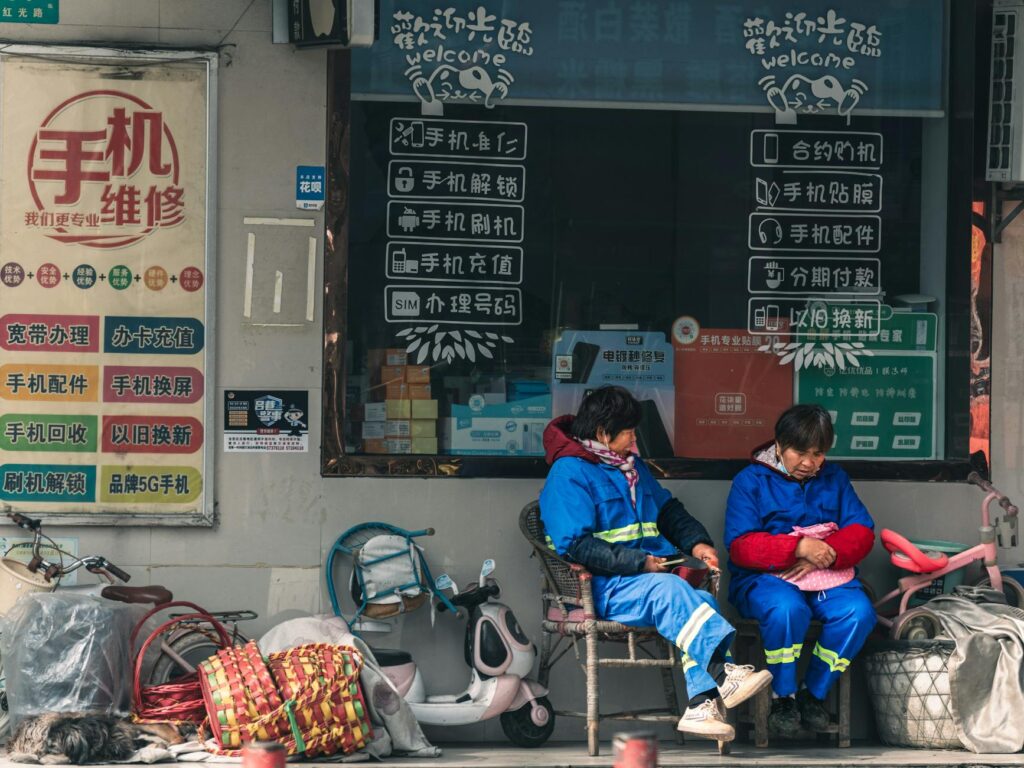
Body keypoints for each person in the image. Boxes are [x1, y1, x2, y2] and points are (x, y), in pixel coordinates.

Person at [540, 386, 772, 741]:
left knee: (701, 600)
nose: (635, 439)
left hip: (647, 582)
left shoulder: (632, 469)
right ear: (603, 433)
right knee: (669, 590)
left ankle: (699, 707)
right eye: (628, 432)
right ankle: (723, 675)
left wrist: (698, 543)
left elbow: (667, 511)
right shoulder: (568, 474)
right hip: (602, 587)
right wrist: (640, 563)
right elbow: (577, 546)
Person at [724, 404, 876, 738]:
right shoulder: (750, 481)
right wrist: (797, 548)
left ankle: (813, 693)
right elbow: (740, 546)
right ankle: (783, 697)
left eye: (818, 454)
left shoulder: (835, 478)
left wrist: (823, 553)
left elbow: (862, 530)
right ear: (779, 445)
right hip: (765, 579)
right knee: (786, 609)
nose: (809, 463)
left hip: (828, 576)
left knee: (859, 613)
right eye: (800, 452)